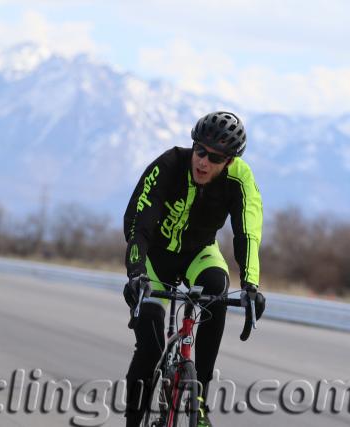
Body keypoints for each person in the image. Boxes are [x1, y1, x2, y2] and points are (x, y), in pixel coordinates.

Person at [123, 111, 266, 427]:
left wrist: (252, 285)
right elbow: (138, 223)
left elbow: (248, 232)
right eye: (200, 150)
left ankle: (198, 401)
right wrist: (136, 274)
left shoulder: (240, 179)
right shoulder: (169, 165)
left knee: (217, 287)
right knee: (150, 345)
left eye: (215, 158)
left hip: (199, 253)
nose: (203, 161)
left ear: (228, 162)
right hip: (154, 259)